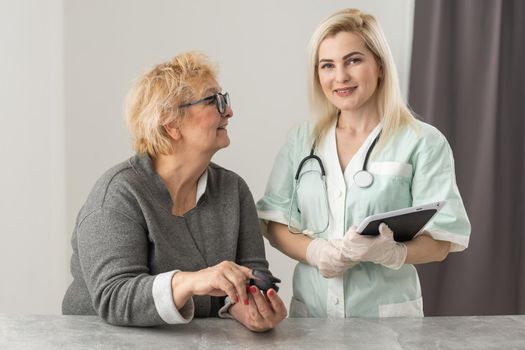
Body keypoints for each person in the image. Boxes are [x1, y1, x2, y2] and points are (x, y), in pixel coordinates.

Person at [256, 8, 471, 318]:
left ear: (380, 66)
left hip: (387, 322)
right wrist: (315, 252)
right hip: (312, 318)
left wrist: (393, 253)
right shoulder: (301, 140)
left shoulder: (422, 141)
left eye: (353, 61)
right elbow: (274, 223)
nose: (340, 76)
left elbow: (441, 241)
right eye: (327, 65)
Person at [62, 52, 287, 331]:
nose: (229, 112)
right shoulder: (118, 194)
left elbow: (251, 276)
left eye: (225, 100)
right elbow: (114, 297)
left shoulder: (233, 190)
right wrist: (191, 281)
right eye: (213, 101)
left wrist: (251, 308)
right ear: (170, 123)